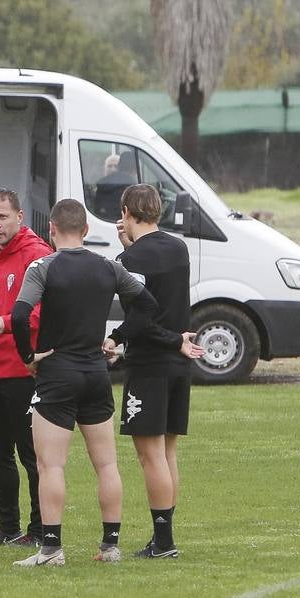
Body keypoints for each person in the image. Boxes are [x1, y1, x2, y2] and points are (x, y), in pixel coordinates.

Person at [8, 198, 162, 567]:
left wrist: (29, 357)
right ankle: (110, 546)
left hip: (57, 374)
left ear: (52, 230)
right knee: (107, 465)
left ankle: (51, 549)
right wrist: (117, 339)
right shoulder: (109, 266)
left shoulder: (42, 266)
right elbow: (147, 304)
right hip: (95, 373)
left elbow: (18, 315)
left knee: (52, 466)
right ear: (87, 230)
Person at [104, 184, 205, 559]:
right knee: (168, 453)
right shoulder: (178, 247)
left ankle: (163, 542)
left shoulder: (128, 261)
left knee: (150, 456)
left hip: (150, 363)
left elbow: (142, 318)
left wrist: (115, 338)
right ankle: (164, 537)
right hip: (179, 364)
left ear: (127, 211)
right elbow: (162, 291)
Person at [0, 188, 53, 548]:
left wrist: (2, 322)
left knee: (31, 453)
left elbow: (39, 313)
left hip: (25, 369)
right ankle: (8, 527)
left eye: (2, 216)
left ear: (20, 217)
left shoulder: (37, 256)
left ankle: (38, 529)